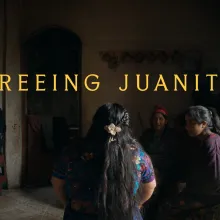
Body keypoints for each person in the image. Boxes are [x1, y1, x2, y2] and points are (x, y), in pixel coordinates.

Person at [51, 103, 156, 220]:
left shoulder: (72, 152)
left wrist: (70, 204)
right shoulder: (138, 155)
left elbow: (57, 183)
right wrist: (136, 205)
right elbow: (150, 186)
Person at [158, 105, 220, 219]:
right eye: (186, 123)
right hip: (197, 192)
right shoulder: (198, 141)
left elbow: (213, 180)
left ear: (203, 124)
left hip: (209, 196)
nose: (187, 127)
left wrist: (190, 193)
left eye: (191, 123)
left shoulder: (212, 143)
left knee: (170, 210)